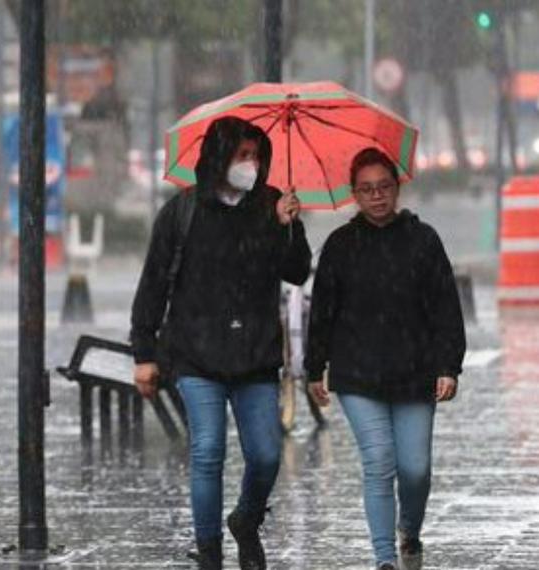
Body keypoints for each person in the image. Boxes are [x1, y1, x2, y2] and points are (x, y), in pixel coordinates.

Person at [131, 116, 311, 570]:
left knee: (266, 454)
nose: (251, 165)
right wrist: (144, 354)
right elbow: (153, 284)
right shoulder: (183, 212)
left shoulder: (270, 205)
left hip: (255, 356)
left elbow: (295, 271)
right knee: (208, 450)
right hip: (195, 355)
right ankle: (209, 551)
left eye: (256, 156)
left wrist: (289, 226)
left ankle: (246, 520)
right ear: (218, 157)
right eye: (242, 155)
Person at [305, 147, 466, 570]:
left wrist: (448, 365)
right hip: (357, 375)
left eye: (384, 187)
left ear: (397, 188)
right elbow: (321, 310)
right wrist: (313, 367)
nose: (377, 196)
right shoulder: (340, 246)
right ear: (354, 195)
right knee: (379, 462)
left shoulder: (423, 240)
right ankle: (383, 559)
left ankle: (409, 530)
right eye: (366, 189)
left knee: (415, 469)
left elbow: (446, 307)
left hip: (415, 374)